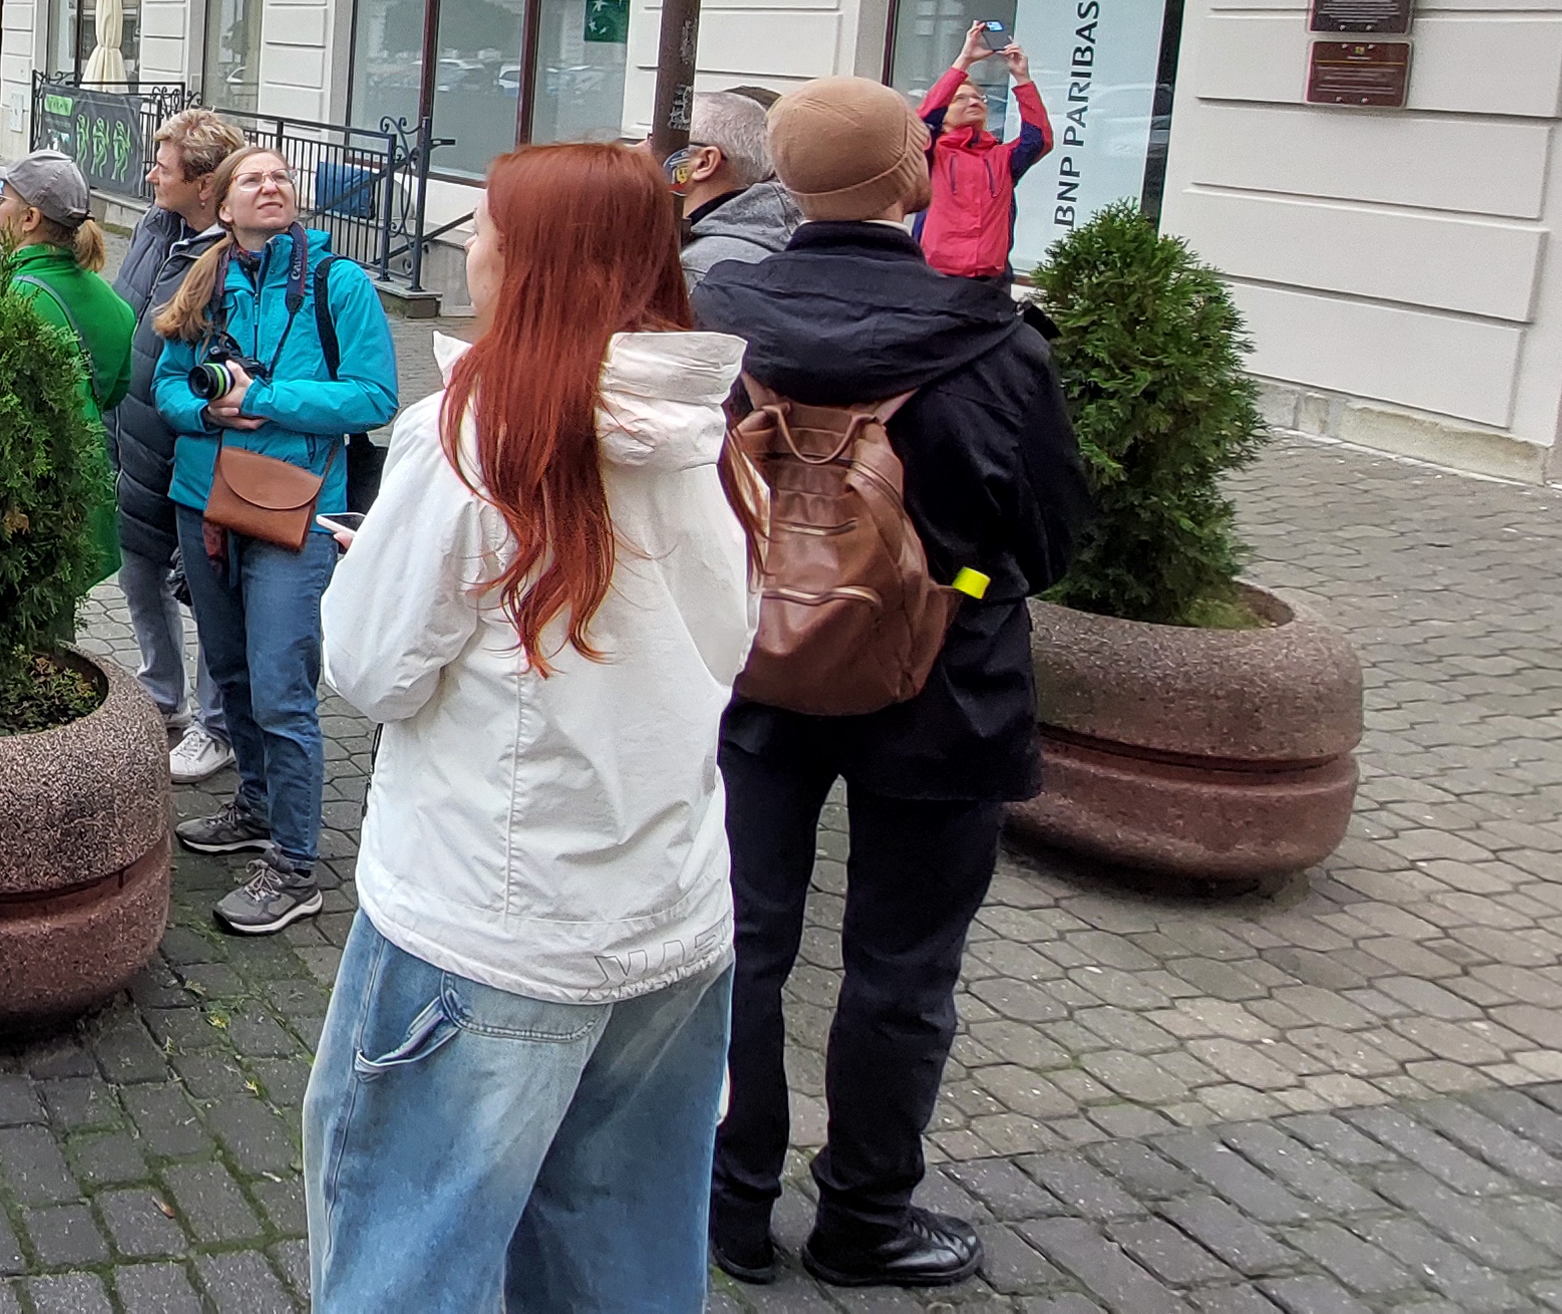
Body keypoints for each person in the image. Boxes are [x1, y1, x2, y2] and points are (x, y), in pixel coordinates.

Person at [305, 143, 754, 1312]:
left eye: (489, 225)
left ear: (539, 261)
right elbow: (716, 643)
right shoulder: (707, 426)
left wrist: (390, 568)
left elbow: (367, 667)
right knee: (623, 1249)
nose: (470, 244)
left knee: (407, 1253)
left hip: (486, 929)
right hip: (673, 922)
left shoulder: (471, 439)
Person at [693, 77, 1091, 1289]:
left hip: (755, 666)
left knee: (741, 942)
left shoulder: (717, 308)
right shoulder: (994, 336)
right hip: (946, 684)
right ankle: (865, 1213)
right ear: (911, 178)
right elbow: (1053, 534)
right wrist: (957, 584)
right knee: (902, 965)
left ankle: (727, 1200)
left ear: (784, 177)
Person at [150, 146, 398, 938]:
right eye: (252, 178)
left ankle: (295, 864)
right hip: (203, 502)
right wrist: (208, 412)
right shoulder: (204, 280)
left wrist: (271, 398)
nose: (271, 185)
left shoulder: (338, 284)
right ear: (222, 205)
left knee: (282, 685)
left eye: (281, 176)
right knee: (229, 672)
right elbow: (164, 385)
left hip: (295, 511)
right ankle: (254, 809)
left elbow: (376, 395)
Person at [107, 108, 249, 785]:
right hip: (134, 433)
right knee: (139, 569)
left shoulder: (233, 256)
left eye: (162, 167)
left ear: (203, 186)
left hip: (194, 447)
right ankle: (161, 693)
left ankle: (215, 726)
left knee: (206, 588)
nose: (149, 174)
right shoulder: (156, 227)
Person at [0, 149, 130, 595]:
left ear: (29, 219)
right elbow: (115, 392)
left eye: (0, 199)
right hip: (81, 499)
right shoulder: (112, 303)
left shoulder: (10, 302)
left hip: (25, 509)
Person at [913, 23, 1052, 279]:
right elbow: (924, 120)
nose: (974, 101)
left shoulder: (1002, 157)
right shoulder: (932, 153)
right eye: (961, 98)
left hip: (991, 283)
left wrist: (1022, 78)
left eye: (978, 97)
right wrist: (963, 61)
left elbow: (1038, 139)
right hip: (935, 279)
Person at [672, 87, 802, 288]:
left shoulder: (699, 270)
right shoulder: (773, 235)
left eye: (655, 139)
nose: (640, 149)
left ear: (704, 163)